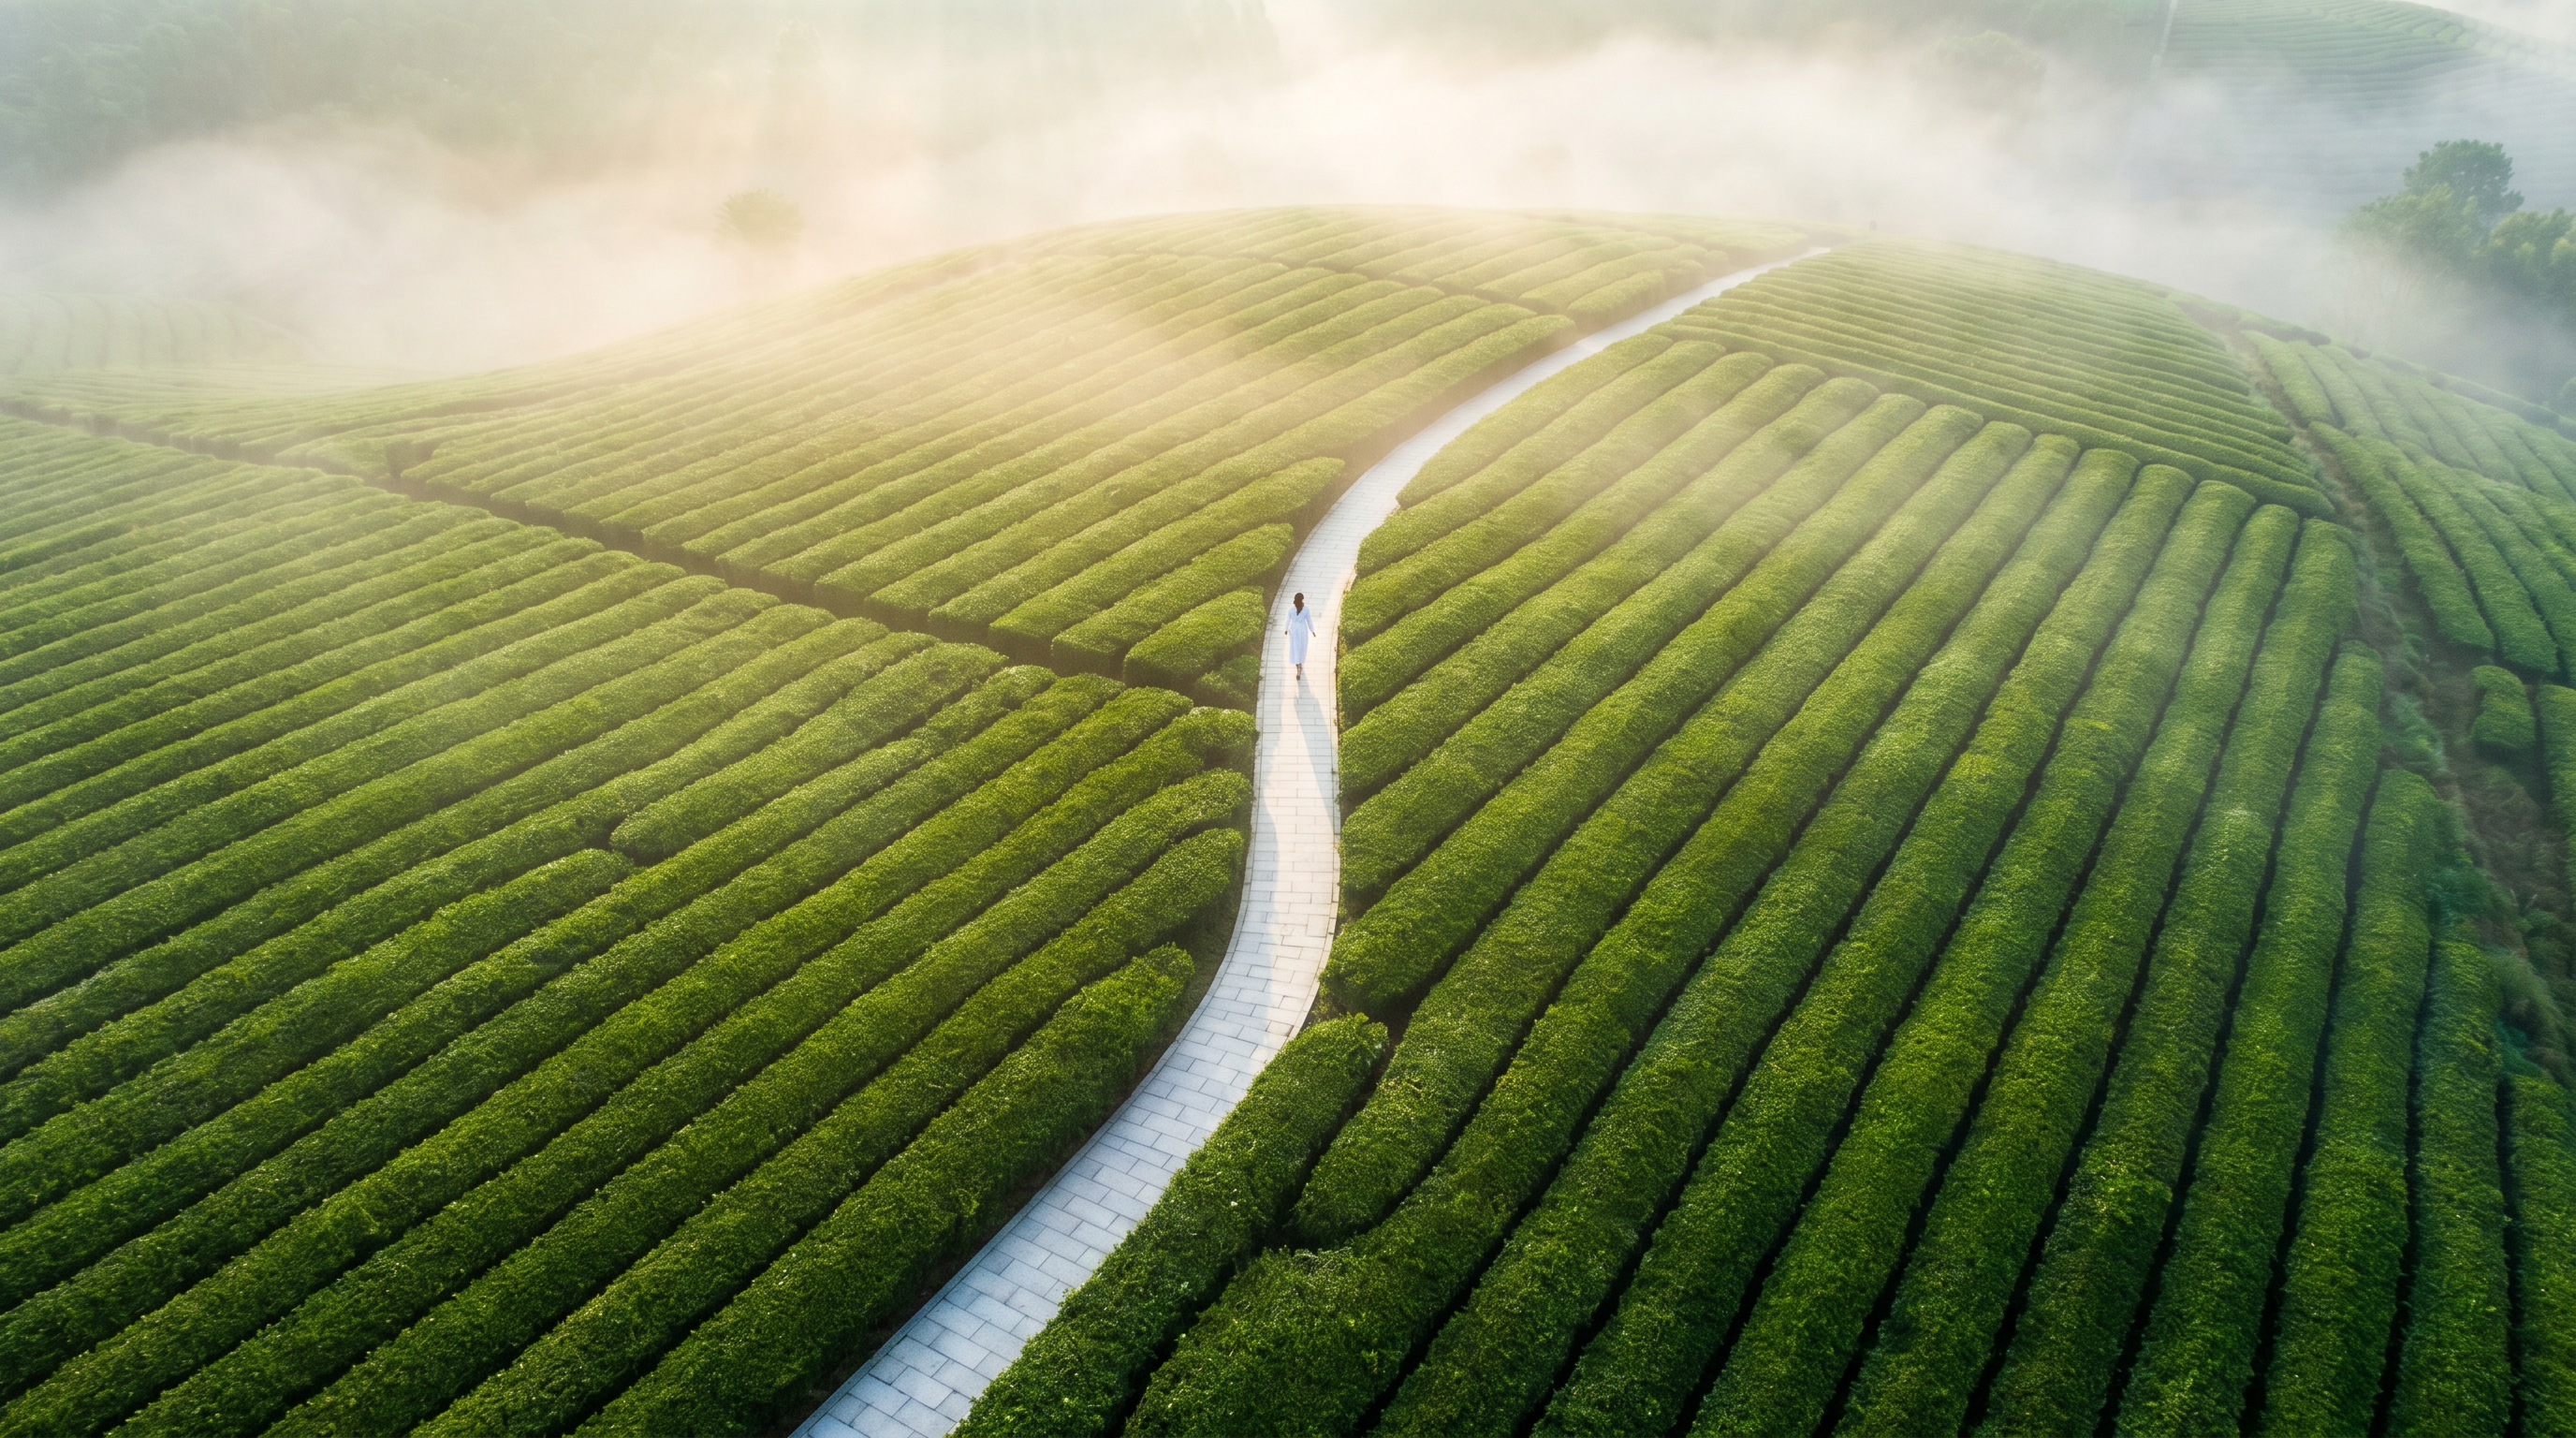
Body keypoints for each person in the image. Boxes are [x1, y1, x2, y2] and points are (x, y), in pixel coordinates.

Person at [1285, 592, 1316, 679]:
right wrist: (1285, 629)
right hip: (1298, 630)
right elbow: (1288, 620)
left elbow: (1309, 620)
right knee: (1298, 647)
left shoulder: (1302, 609)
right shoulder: (1295, 609)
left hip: (1298, 630)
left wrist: (1312, 630)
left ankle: (1298, 665)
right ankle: (1299, 665)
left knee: (1298, 647)